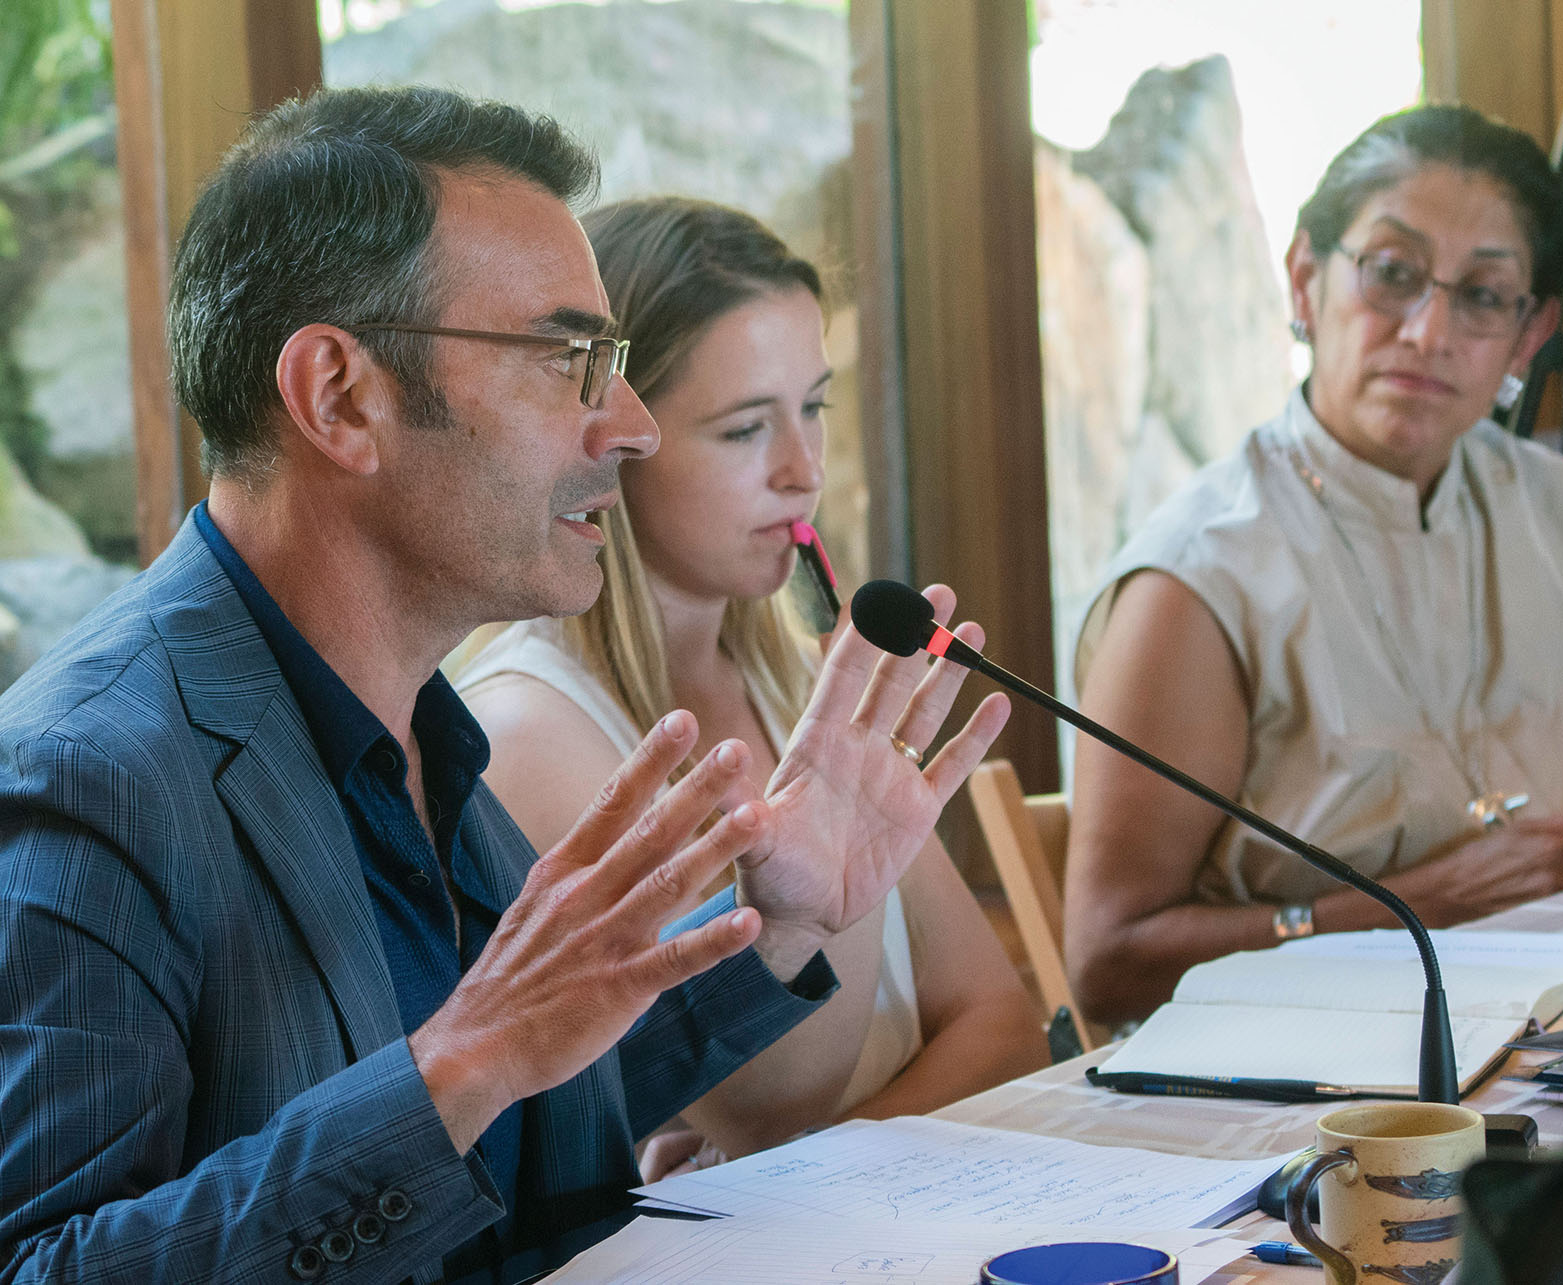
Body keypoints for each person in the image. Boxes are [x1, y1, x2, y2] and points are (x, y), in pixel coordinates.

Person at [0, 87, 1009, 1283]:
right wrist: (457, 1065)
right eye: (570, 358)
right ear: (340, 396)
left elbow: (514, 1118)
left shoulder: (427, 733)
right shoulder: (87, 772)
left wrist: (778, 927)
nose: (628, 427)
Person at [452, 197, 1045, 1174]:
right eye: (741, 430)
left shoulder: (805, 680)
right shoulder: (529, 733)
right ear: (612, 438)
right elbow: (754, 1104)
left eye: (812, 407)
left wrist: (810, 1162)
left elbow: (1002, 1028)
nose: (802, 471)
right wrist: (830, 1147)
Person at [1064, 103, 1563, 1027]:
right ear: (1307, 281)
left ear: (1528, 334)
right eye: (1393, 275)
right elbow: (1109, 963)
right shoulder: (1200, 578)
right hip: (1286, 1088)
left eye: (1481, 295)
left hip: (1556, 1045)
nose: (1430, 331)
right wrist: (1418, 908)